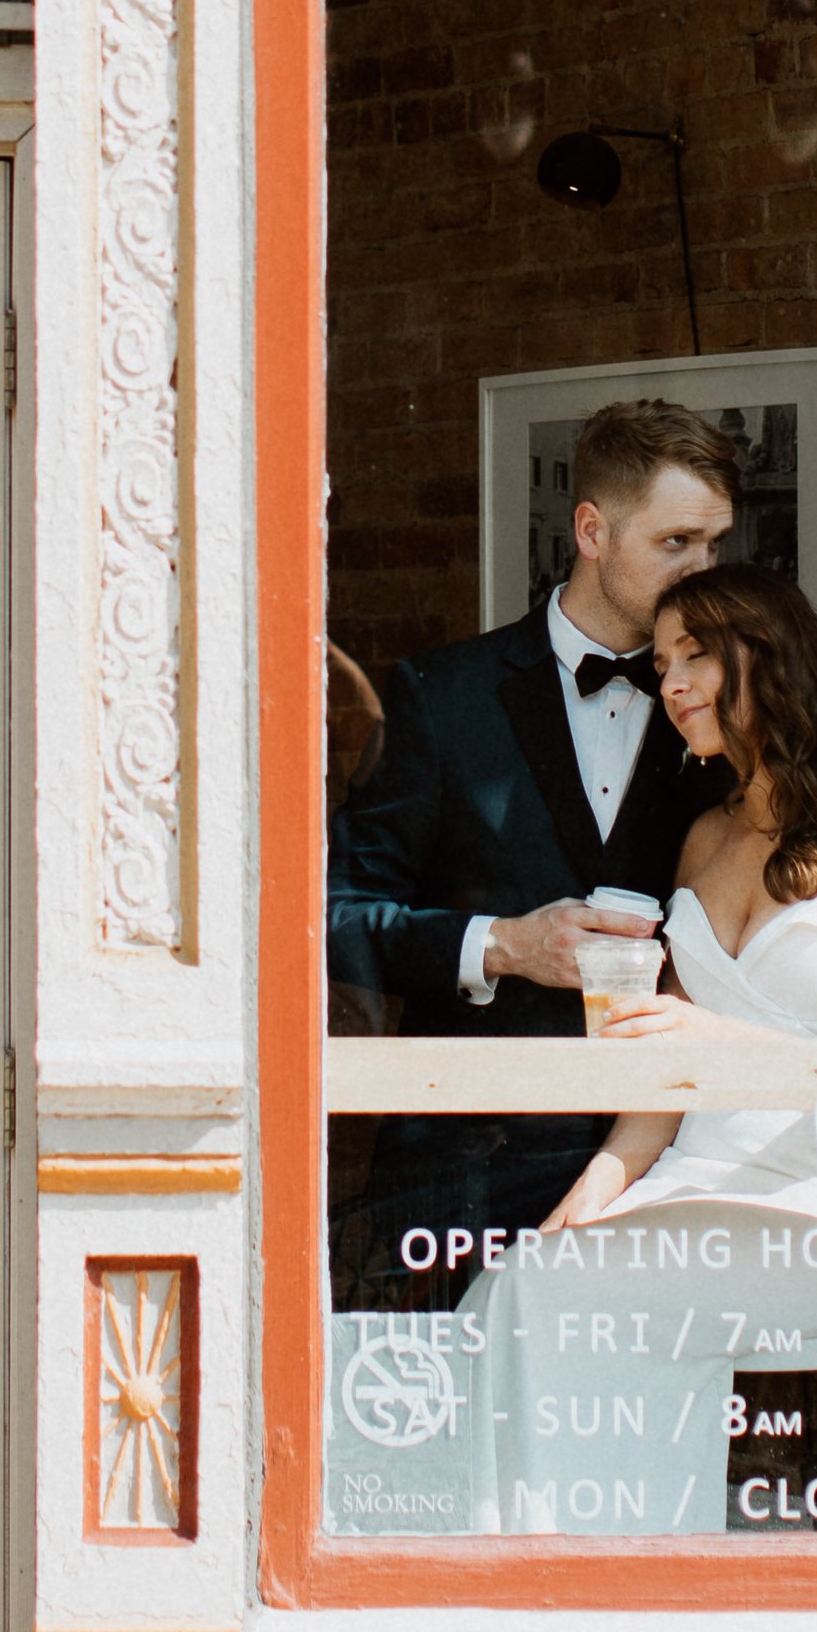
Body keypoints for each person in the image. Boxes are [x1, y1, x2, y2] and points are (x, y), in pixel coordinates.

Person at [465, 559, 817, 1533]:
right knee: (508, 1289)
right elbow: (663, 1089)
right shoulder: (702, 839)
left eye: (693, 656)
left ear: (768, 659)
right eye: (660, 662)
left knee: (571, 1306)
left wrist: (717, 1039)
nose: (670, 683)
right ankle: (521, 1589)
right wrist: (588, 1195)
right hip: (690, 1188)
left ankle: (618, 1587)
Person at [326, 400, 742, 1302]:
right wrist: (502, 945)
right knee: (452, 1435)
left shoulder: (731, 710)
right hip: (468, 1159)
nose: (703, 569)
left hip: (666, 1158)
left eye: (715, 544)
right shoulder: (442, 697)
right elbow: (335, 916)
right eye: (677, 543)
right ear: (592, 529)